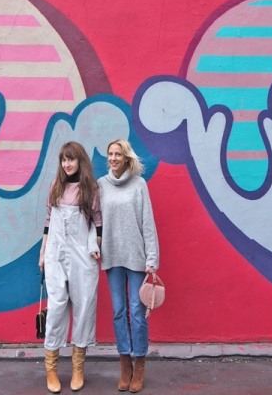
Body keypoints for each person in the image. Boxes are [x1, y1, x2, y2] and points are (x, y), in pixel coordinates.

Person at [39, 141, 102, 393]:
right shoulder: (56, 186)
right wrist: (43, 252)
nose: (66, 164)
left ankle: (78, 368)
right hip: (55, 252)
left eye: (71, 159)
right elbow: (48, 220)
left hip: (82, 254)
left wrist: (95, 246)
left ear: (80, 161)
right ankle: (51, 370)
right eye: (63, 160)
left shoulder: (90, 189)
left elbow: (97, 221)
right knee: (56, 308)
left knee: (84, 306)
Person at [98, 139, 159, 393]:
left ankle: (140, 363)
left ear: (126, 158)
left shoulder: (139, 185)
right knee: (118, 311)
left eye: (117, 154)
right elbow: (95, 222)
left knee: (137, 311)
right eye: (110, 154)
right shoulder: (101, 185)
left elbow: (148, 222)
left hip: (135, 257)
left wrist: (152, 259)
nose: (113, 158)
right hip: (111, 256)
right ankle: (125, 365)